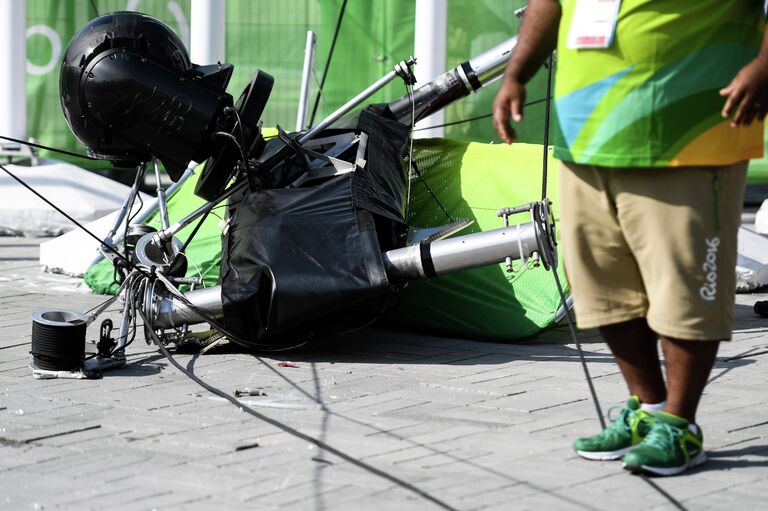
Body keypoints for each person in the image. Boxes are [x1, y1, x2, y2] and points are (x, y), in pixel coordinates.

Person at [493, 0, 768, 476]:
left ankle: (681, 425)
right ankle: (649, 411)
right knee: (602, 287)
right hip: (585, 137)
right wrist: (516, 73)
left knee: (685, 290)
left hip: (687, 136)